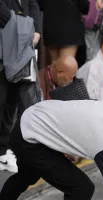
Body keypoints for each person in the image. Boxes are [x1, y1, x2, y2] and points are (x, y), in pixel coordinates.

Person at [0, 0, 42, 173]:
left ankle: (3, 149)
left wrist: (36, 30)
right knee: (1, 98)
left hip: (22, 43)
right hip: (6, 40)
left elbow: (33, 4)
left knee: (12, 100)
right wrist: (26, 28)